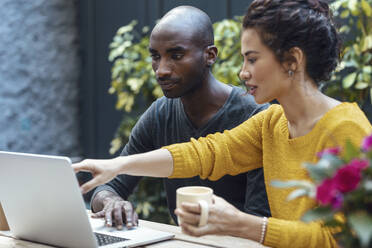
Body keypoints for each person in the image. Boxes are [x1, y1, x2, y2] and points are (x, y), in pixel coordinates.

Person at [73, 0, 372, 247]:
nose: (243, 73)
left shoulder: (346, 128)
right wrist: (119, 166)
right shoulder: (272, 122)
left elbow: (342, 239)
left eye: (252, 60)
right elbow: (207, 153)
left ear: (292, 60)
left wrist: (243, 224)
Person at [89, 5, 270, 230]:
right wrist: (111, 202)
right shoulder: (159, 114)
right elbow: (110, 184)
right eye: (155, 56)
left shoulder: (255, 117)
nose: (161, 70)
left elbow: (261, 220)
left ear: (210, 55)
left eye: (176, 55)